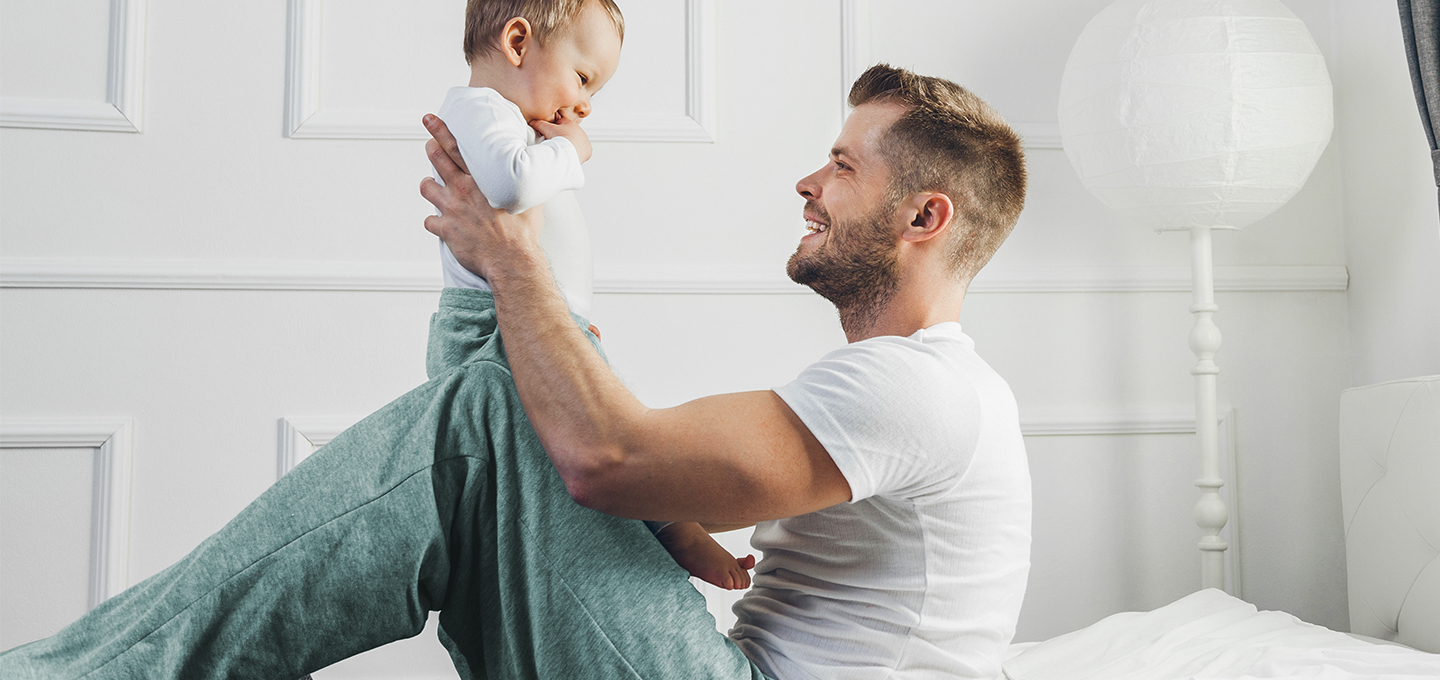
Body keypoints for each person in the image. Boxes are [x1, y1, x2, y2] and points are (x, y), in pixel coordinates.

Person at [0, 62, 1030, 680]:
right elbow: (626, 459)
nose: (808, 182)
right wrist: (508, 282)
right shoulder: (914, 387)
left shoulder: (922, 386)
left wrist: (509, 260)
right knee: (510, 397)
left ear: (923, 216)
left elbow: (610, 457)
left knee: (505, 402)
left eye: (844, 166)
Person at [433, 0, 757, 590]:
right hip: (491, 332)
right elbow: (511, 184)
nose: (583, 106)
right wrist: (574, 150)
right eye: (583, 78)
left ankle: (671, 527)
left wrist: (570, 322)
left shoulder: (510, 123)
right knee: (594, 446)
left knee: (616, 434)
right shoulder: (480, 109)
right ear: (516, 42)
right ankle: (674, 530)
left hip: (535, 321)